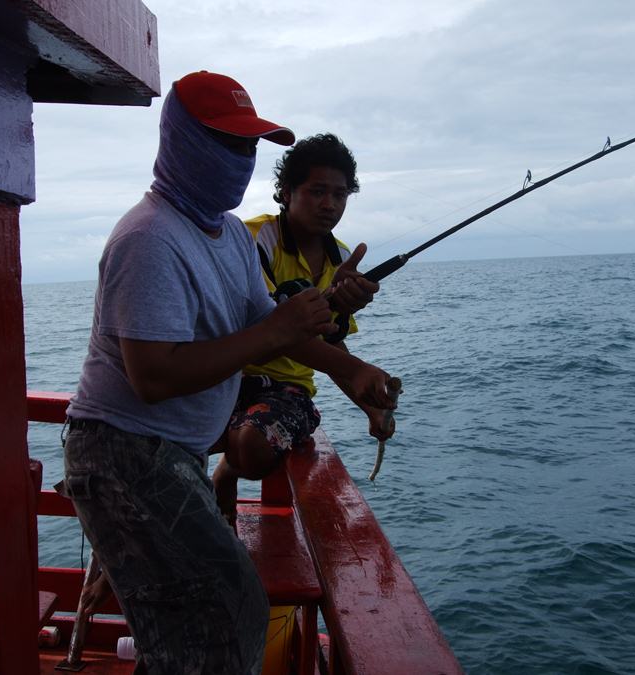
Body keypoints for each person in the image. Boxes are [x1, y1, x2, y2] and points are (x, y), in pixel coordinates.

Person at [62, 71, 393, 675]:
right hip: (125, 454)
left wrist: (353, 369)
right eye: (228, 144)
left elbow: (276, 320)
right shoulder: (150, 239)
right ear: (184, 142)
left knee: (192, 625)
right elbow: (153, 377)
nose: (242, 160)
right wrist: (274, 331)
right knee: (224, 609)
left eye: (249, 146)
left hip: (171, 453)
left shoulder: (224, 236)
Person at [211, 133, 392, 526]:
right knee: (156, 435)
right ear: (286, 192)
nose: (330, 204)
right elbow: (267, 327)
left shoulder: (341, 257)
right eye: (317, 191)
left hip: (285, 390)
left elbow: (333, 346)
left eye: (341, 195)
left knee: (251, 448)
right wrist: (356, 367)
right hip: (223, 374)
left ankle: (226, 472)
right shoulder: (253, 238)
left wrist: (370, 408)